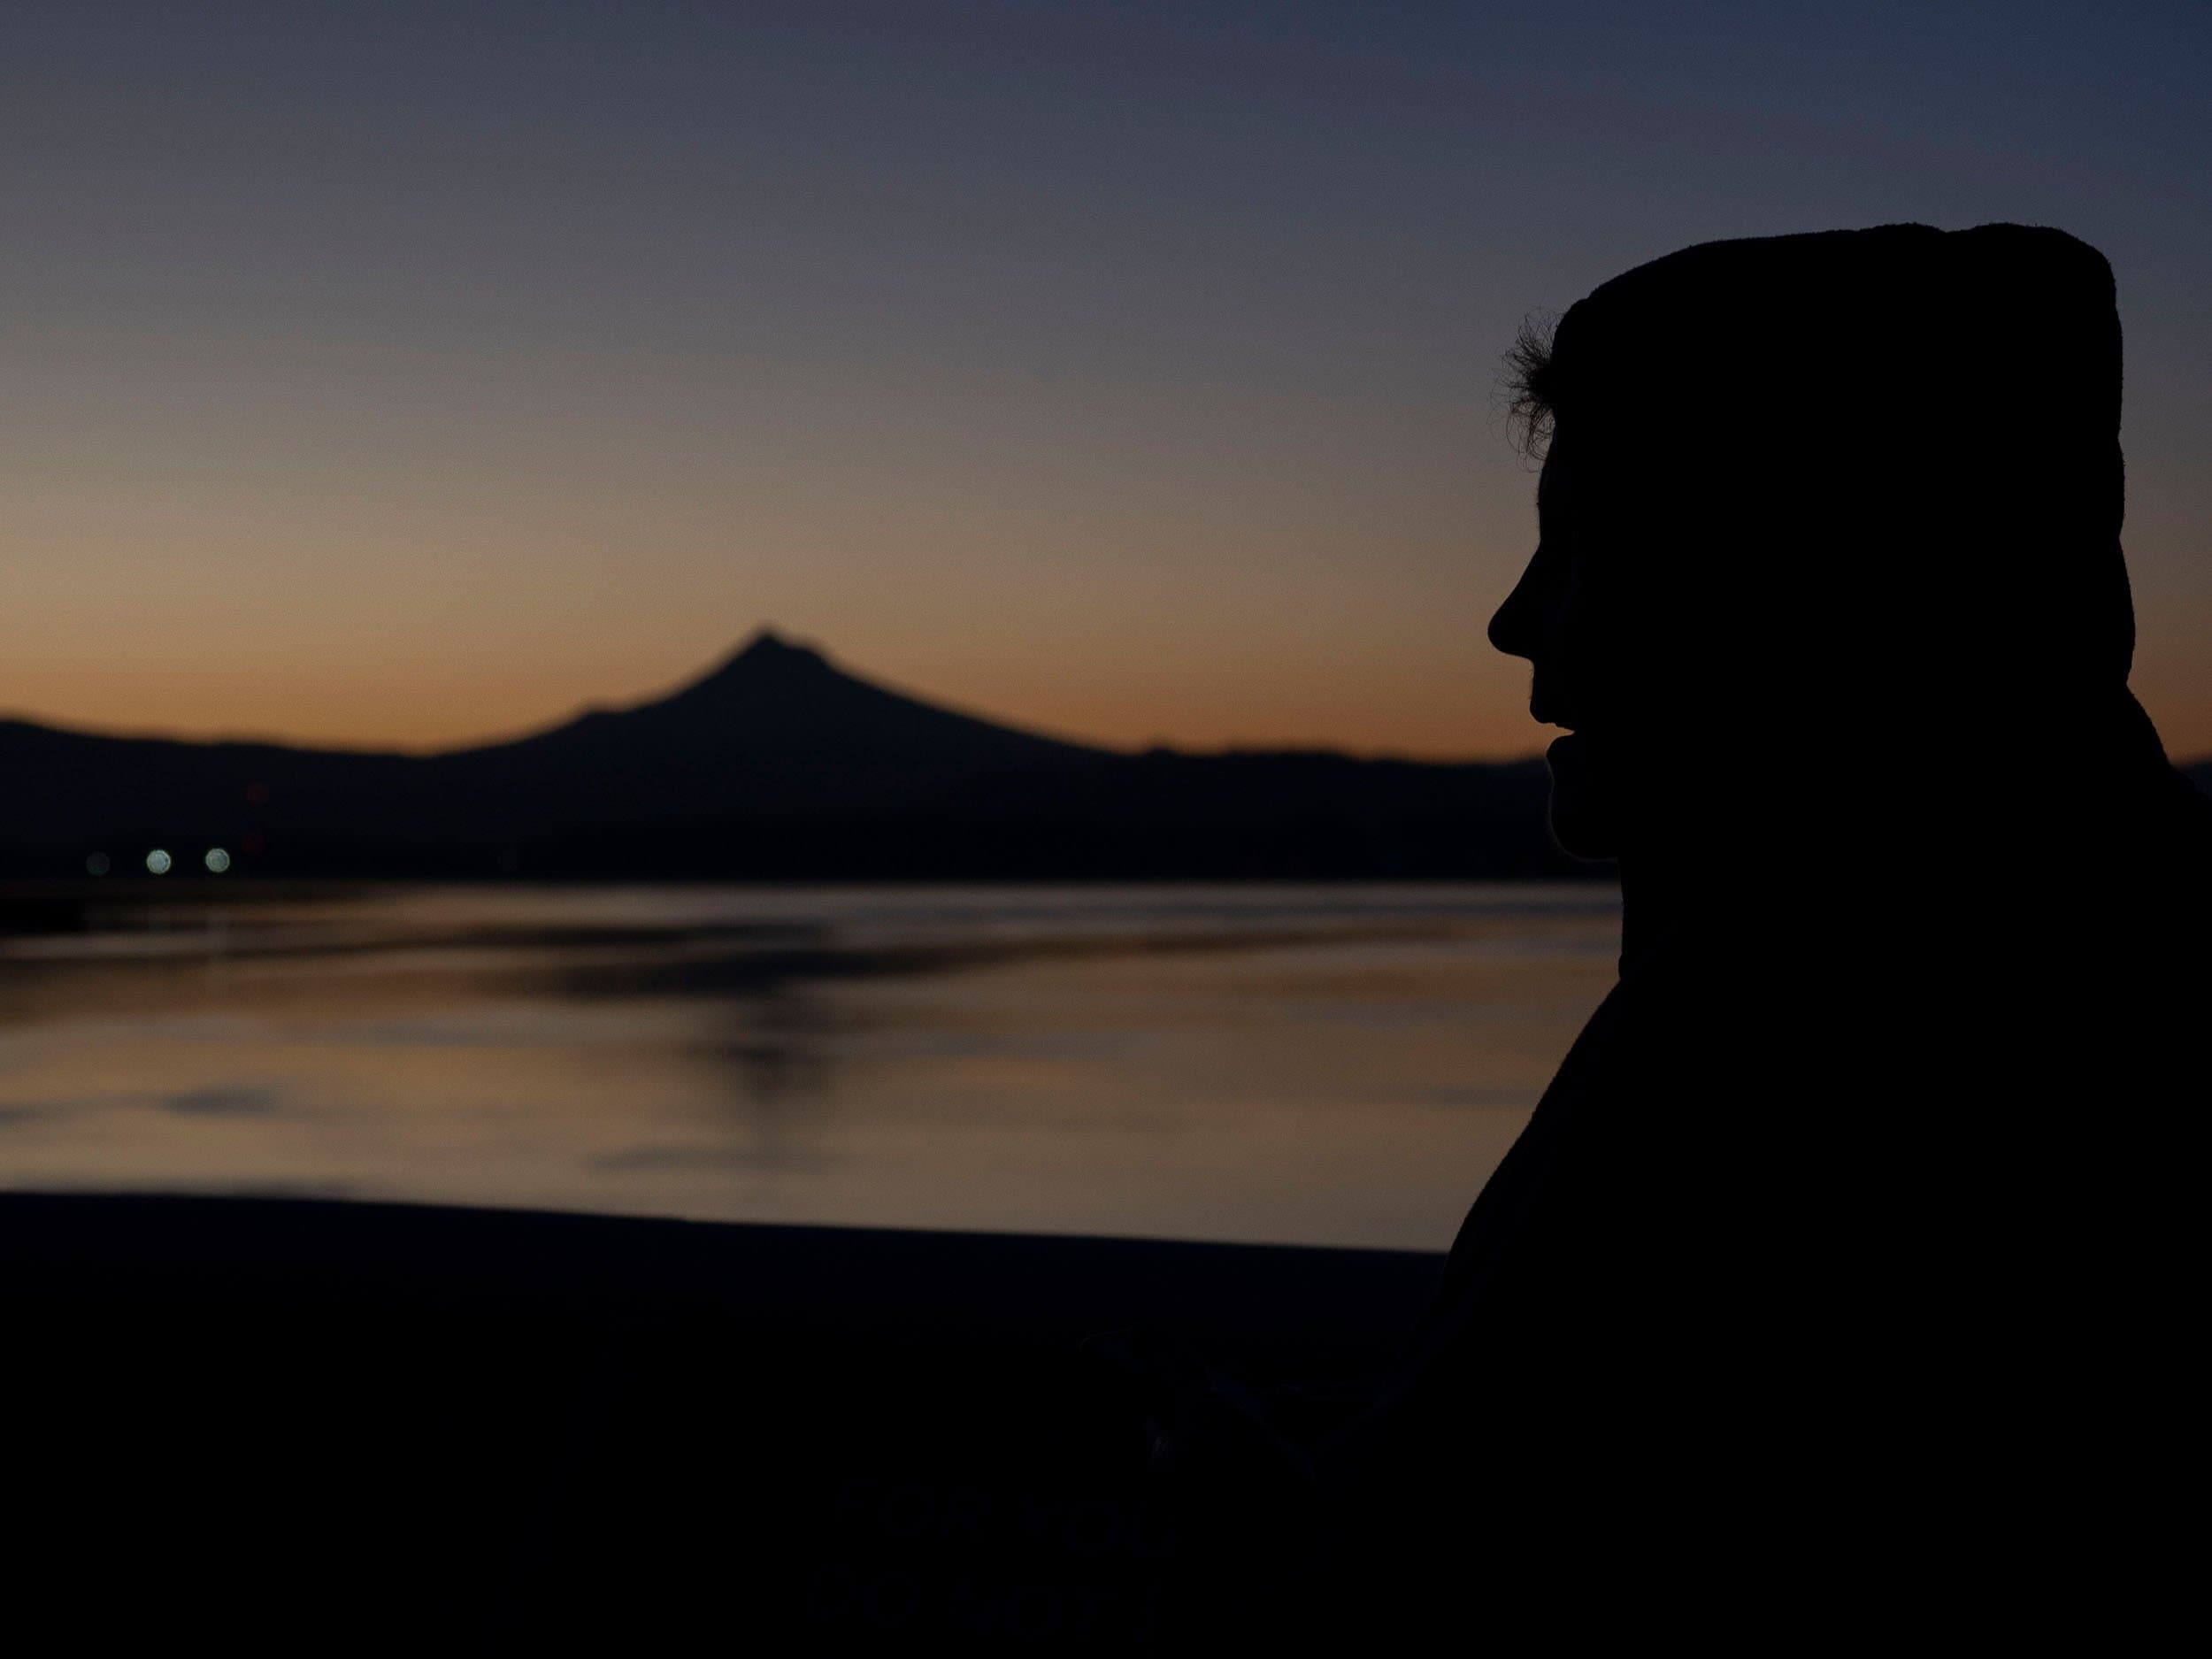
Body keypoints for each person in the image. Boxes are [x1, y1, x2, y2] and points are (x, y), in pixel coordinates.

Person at [1131, 223, 2210, 1645]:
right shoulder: (2078, 943)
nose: (1515, 621)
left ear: (1809, 589)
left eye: (1588, 547)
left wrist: (1255, 1514)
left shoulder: (1799, 1056)